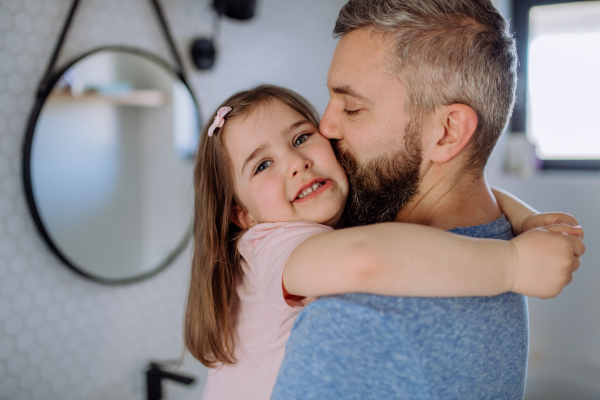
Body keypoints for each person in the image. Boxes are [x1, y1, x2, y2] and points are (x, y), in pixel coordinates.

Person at [183, 85, 584, 400]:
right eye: (263, 165)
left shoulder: (321, 207)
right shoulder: (269, 244)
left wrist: (523, 217)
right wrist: (510, 264)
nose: (295, 162)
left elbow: (463, 188)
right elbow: (367, 257)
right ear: (243, 215)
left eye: (302, 138)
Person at [270, 1, 583, 399]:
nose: (325, 126)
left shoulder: (354, 322)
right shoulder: (497, 239)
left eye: (353, 107)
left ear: (448, 133)